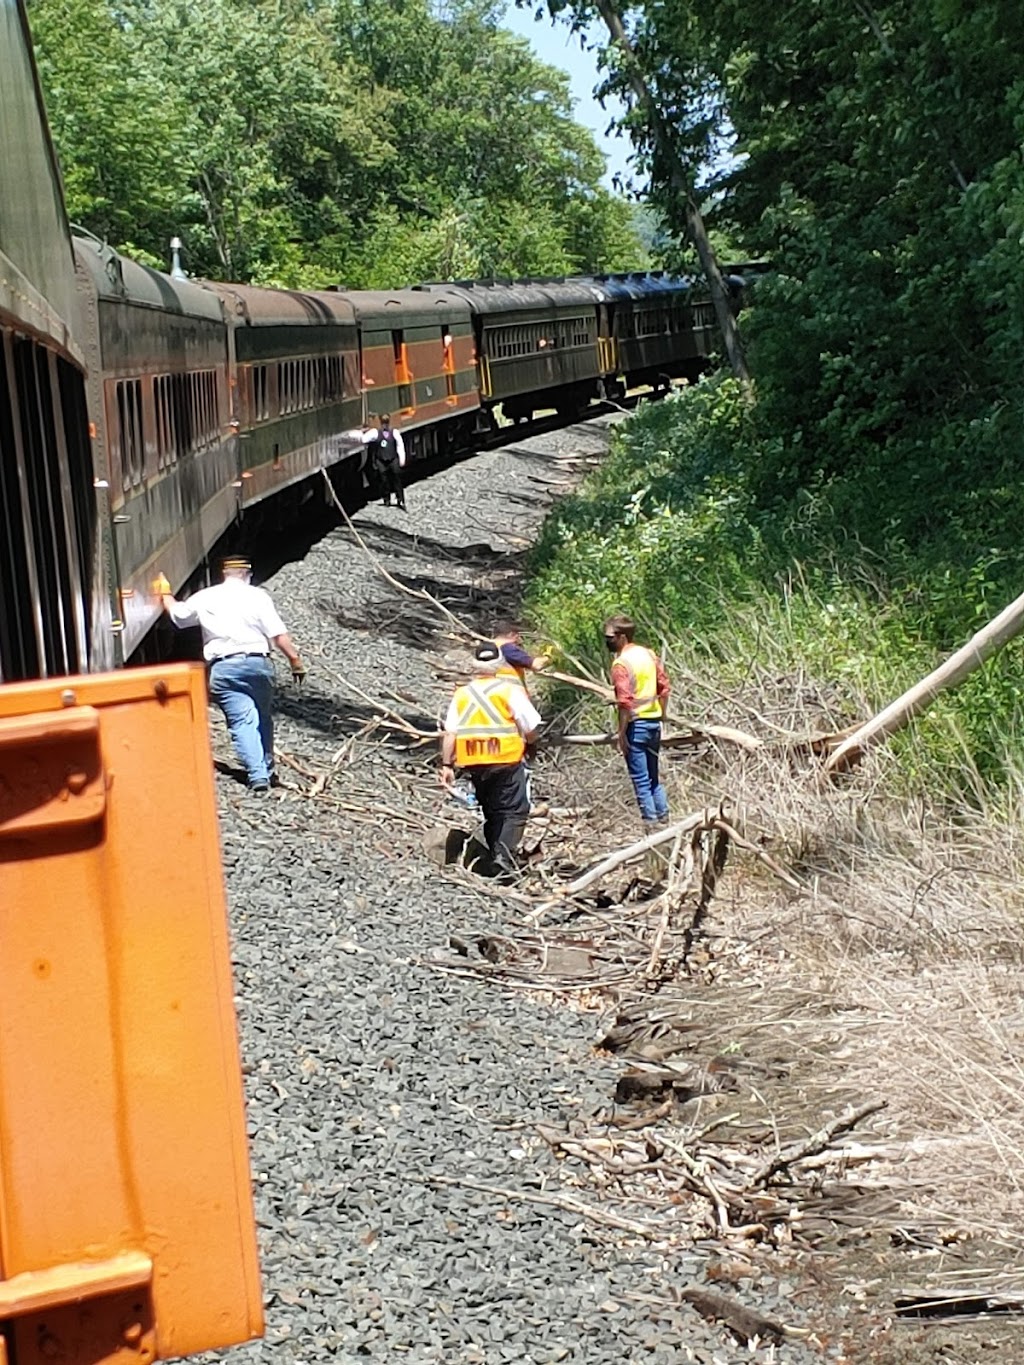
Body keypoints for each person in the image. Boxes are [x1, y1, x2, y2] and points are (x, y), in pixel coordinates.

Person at [157, 557, 306, 793]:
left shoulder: (206, 596)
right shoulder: (258, 596)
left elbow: (178, 616)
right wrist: (296, 662)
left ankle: (257, 775)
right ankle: (266, 768)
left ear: (224, 574)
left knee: (241, 720)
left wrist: (164, 593)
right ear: (247, 574)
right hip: (258, 663)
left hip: (224, 667)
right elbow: (279, 636)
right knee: (262, 717)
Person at [440, 642, 541, 877]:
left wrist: (446, 765)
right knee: (516, 810)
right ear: (499, 663)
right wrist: (533, 744)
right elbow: (531, 726)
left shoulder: (462, 694)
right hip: (505, 759)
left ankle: (496, 857)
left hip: (474, 762)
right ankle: (502, 858)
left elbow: (450, 733)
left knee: (492, 811)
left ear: (475, 665)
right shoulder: (508, 691)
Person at [603, 614, 671, 830]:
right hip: (653, 723)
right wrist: (662, 714)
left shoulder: (621, 664)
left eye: (609, 637)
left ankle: (651, 827)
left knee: (641, 781)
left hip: (636, 725)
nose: (607, 641)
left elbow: (624, 702)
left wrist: (621, 733)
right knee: (653, 778)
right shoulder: (649, 655)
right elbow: (664, 688)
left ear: (621, 637)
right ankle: (664, 820)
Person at [362, 413, 407, 509]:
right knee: (383, 480)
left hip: (392, 459)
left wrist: (402, 458)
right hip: (381, 460)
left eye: (386, 423)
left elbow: (400, 445)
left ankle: (400, 499)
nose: (385, 425)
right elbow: (364, 439)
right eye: (383, 423)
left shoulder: (394, 432)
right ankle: (386, 498)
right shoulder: (375, 433)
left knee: (396, 479)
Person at [490, 620, 551, 690]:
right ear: (511, 634)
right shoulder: (507, 648)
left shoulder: (487, 647)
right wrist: (549, 655)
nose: (519, 639)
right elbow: (536, 665)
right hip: (510, 693)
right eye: (517, 635)